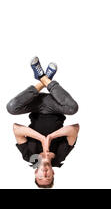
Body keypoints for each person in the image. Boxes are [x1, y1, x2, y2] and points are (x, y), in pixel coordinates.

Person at [6, 57, 79, 188]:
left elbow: (16, 129)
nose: (44, 174)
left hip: (36, 104)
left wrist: (41, 138)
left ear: (35, 172)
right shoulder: (59, 157)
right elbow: (74, 129)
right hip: (56, 105)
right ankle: (46, 80)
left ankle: (42, 80)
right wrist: (50, 137)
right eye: (48, 176)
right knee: (73, 108)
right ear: (53, 173)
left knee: (11, 108)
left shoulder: (30, 157)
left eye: (40, 176)